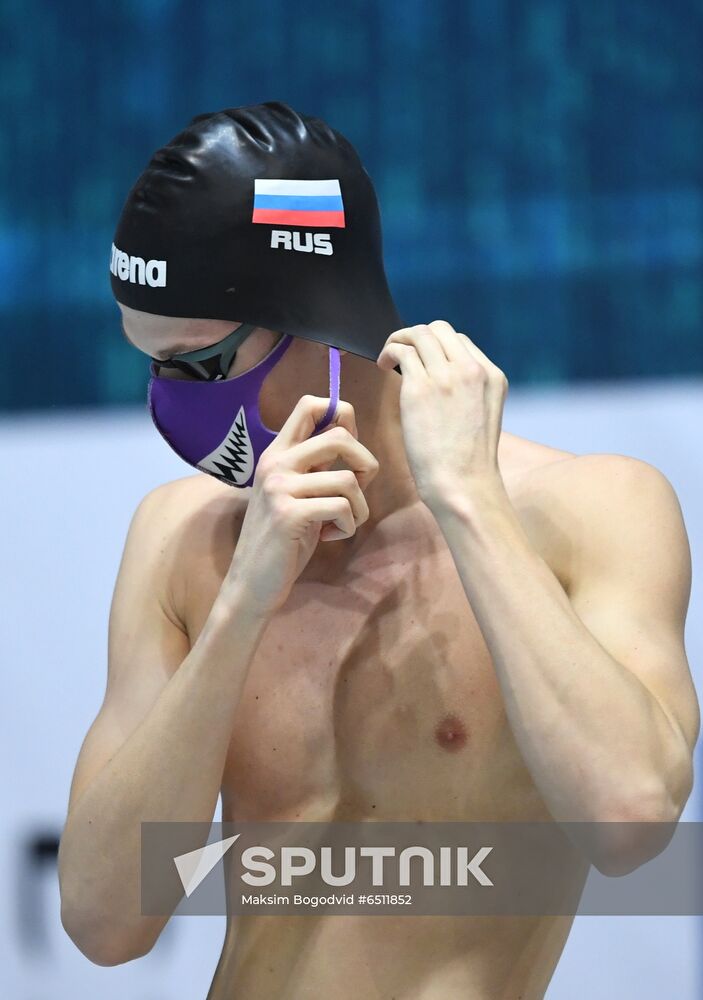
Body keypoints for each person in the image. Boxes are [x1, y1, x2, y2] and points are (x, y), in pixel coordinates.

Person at [58, 103, 699, 999]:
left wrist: (469, 506)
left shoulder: (588, 511)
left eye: (196, 365)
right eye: (149, 362)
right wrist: (241, 607)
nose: (167, 401)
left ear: (318, 322)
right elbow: (102, 921)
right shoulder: (183, 538)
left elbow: (630, 818)